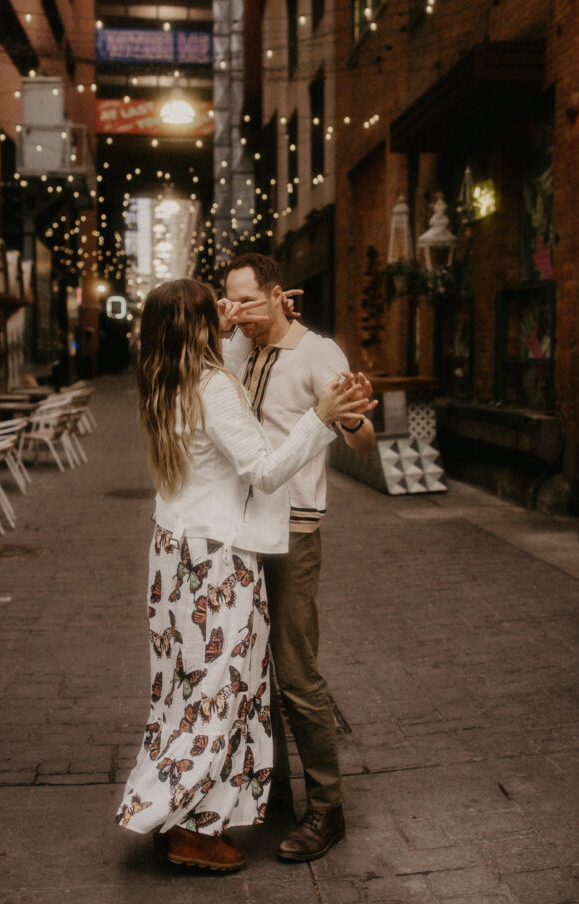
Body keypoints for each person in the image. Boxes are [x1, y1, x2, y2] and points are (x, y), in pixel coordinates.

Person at [115, 278, 370, 873]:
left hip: (172, 556)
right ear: (202, 329)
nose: (231, 319)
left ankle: (169, 812)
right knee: (218, 694)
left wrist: (216, 321)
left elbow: (211, 373)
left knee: (181, 693)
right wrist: (320, 417)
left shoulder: (163, 379)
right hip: (215, 563)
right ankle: (193, 833)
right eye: (218, 313)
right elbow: (263, 470)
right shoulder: (213, 388)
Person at [222, 253, 376, 863]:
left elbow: (361, 440)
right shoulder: (242, 345)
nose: (239, 315)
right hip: (242, 530)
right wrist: (229, 319)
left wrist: (355, 415)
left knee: (294, 670)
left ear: (279, 294)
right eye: (229, 303)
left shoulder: (319, 354)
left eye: (248, 302)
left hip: (294, 531)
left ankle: (327, 808)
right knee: (252, 667)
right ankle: (273, 792)